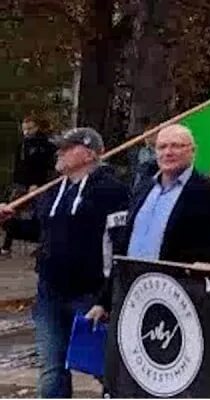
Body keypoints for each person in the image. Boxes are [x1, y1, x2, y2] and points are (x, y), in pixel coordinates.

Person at [0, 128, 128, 398]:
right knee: (52, 368)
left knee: (104, 367)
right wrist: (10, 222)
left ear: (89, 153)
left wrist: (106, 299)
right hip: (50, 292)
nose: (59, 152)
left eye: (67, 148)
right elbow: (39, 230)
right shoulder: (54, 191)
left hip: (91, 293)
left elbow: (121, 246)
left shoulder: (111, 190)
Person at [90, 124, 210, 319]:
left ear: (192, 151)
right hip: (131, 297)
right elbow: (122, 251)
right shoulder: (143, 189)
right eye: (162, 147)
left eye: (176, 146)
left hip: (178, 303)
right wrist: (104, 301)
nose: (168, 152)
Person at [3, 115, 57, 255]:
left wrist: (37, 183)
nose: (26, 132)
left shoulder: (45, 145)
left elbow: (44, 166)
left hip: (38, 184)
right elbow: (20, 166)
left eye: (29, 128)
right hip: (21, 183)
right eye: (24, 129)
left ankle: (42, 245)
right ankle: (6, 245)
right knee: (12, 212)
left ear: (36, 128)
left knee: (41, 214)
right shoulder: (22, 145)